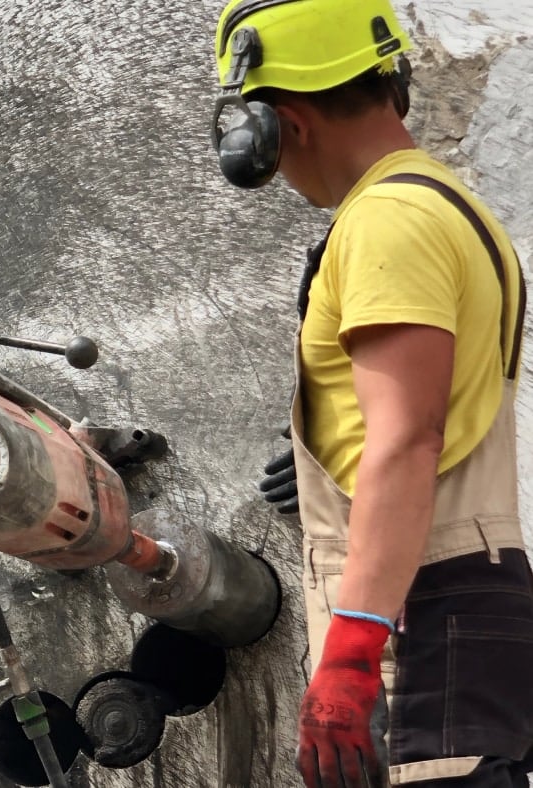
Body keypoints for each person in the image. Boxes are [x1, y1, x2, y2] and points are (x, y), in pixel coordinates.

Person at [210, 1, 533, 786]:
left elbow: (408, 437)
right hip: (437, 609)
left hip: (410, 629)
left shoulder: (388, 222)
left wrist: (352, 654)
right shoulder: (436, 204)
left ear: (281, 124)